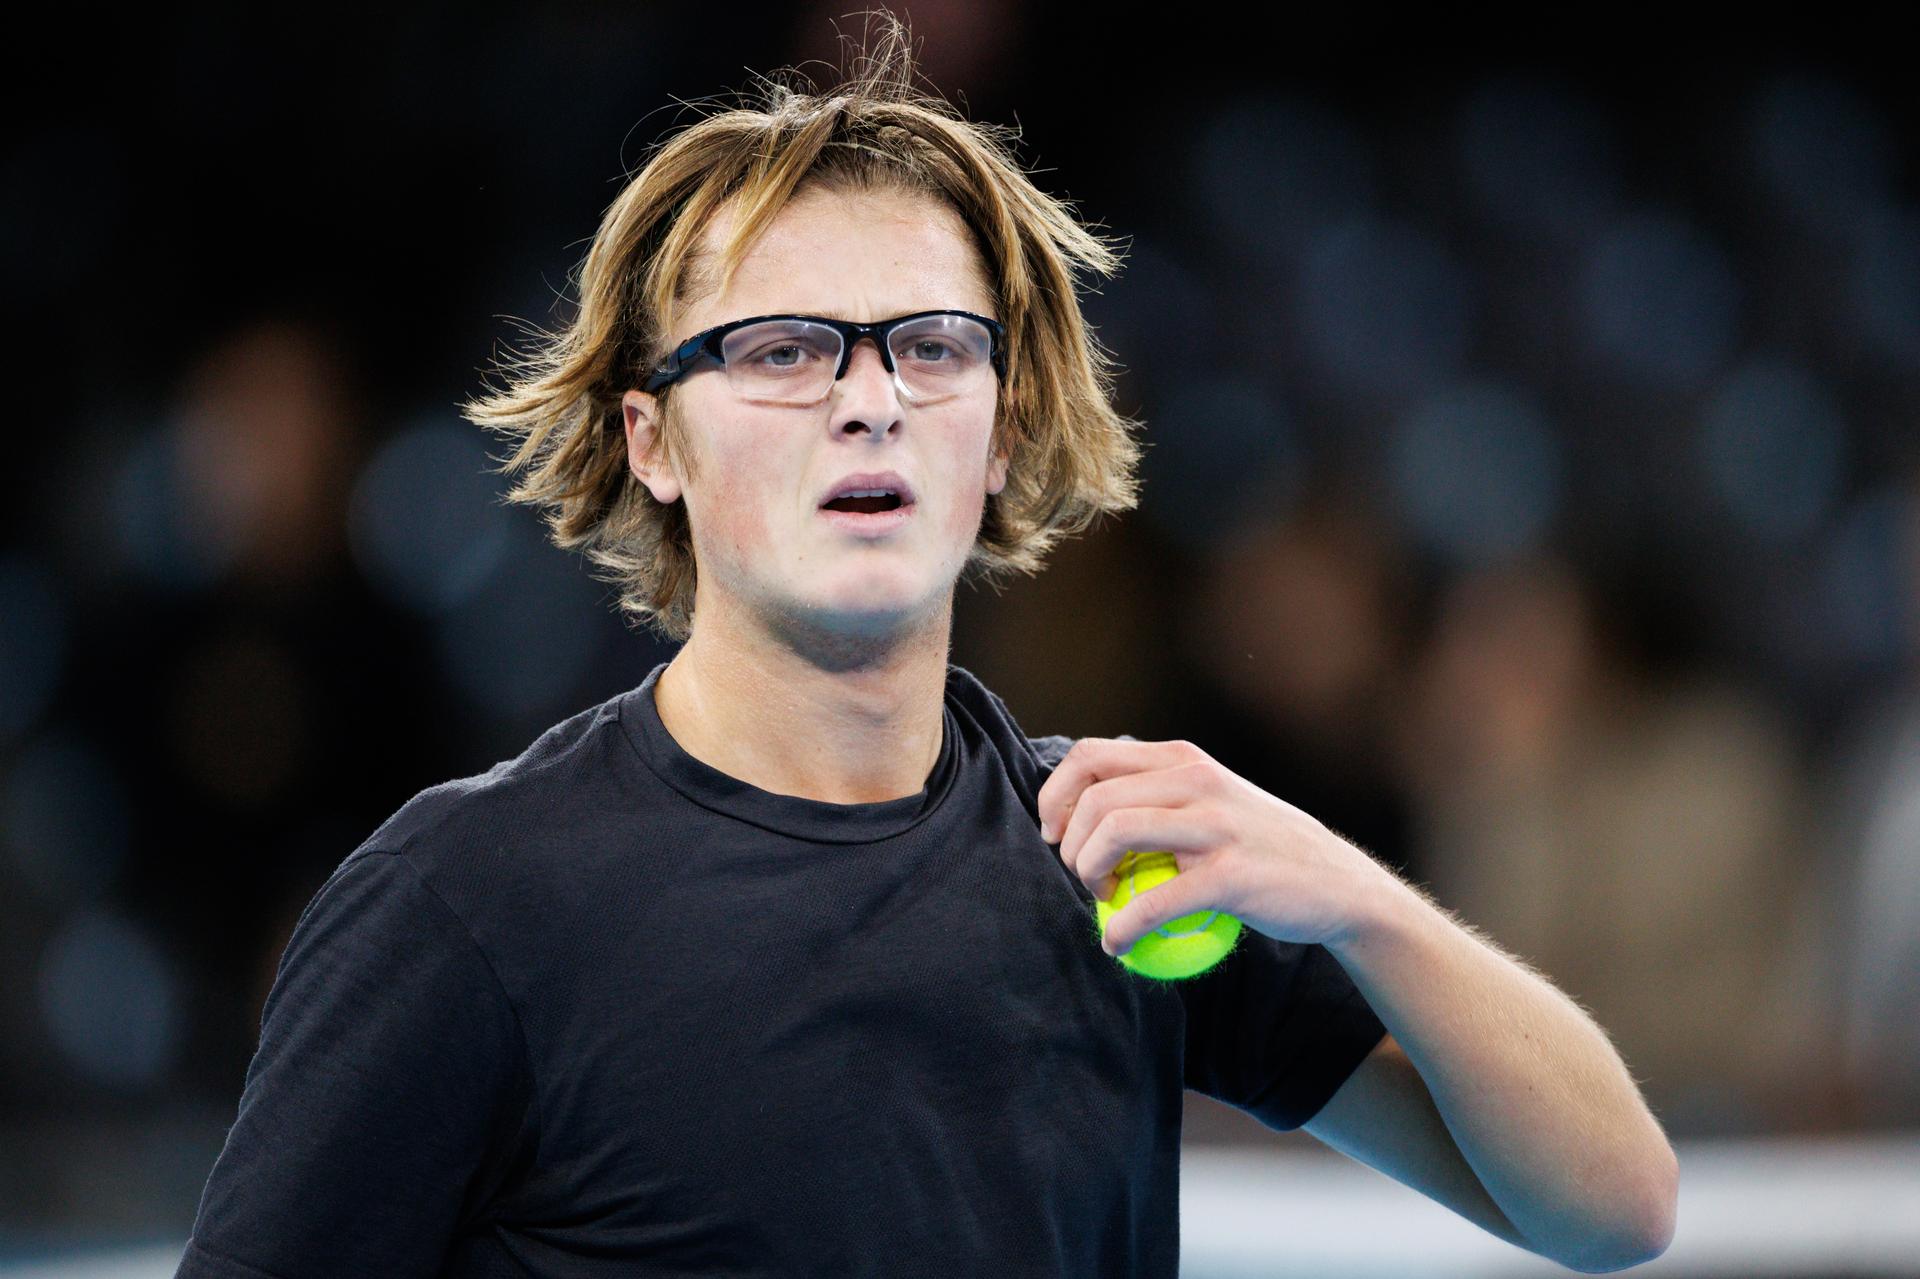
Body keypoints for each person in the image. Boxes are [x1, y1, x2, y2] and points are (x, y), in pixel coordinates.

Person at [175, 20, 1676, 1277]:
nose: (870, 398)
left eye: (933, 345)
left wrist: (1352, 897)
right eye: (782, 350)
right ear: (652, 443)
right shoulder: (467, 901)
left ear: (1004, 430)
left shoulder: (1120, 866)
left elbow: (1614, 1210)